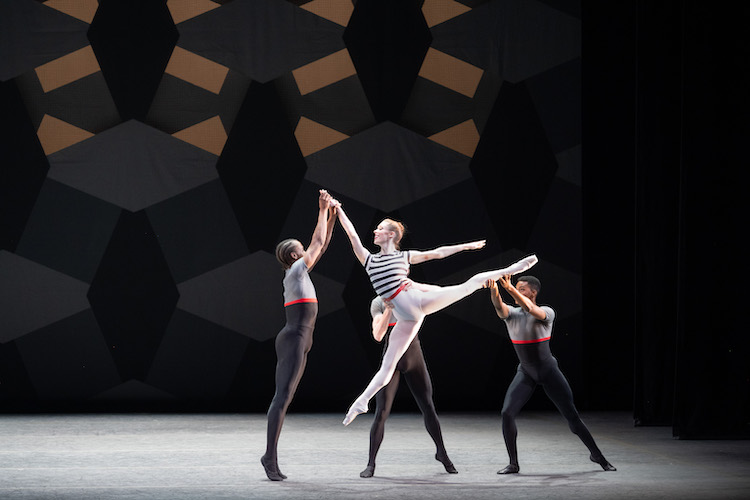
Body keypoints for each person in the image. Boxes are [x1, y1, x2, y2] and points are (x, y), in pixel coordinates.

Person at [334, 204, 538, 425]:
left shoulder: (404, 256)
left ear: (391, 235)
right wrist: (338, 209)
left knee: (471, 283)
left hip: (415, 300)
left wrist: (466, 246)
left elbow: (437, 253)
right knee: (387, 365)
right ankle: (361, 402)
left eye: (380, 228)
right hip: (408, 318)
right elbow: (352, 234)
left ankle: (513, 269)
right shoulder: (368, 259)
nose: (375, 231)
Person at [485, 274, 616, 473]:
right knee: (506, 413)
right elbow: (498, 305)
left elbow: (530, 308)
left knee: (572, 416)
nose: (517, 291)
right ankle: (513, 463)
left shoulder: (547, 312)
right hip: (526, 372)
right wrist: (494, 288)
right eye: (517, 288)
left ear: (533, 292)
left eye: (522, 289)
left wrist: (509, 288)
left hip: (548, 371)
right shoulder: (511, 314)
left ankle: (597, 455)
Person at [261, 189, 337, 481]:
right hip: (293, 337)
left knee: (286, 396)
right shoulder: (294, 271)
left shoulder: (299, 273)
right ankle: (269, 457)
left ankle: (270, 456)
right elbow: (318, 243)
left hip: (301, 338)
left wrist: (331, 217)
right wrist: (321, 209)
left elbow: (322, 243)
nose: (308, 249)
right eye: (302, 247)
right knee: (282, 398)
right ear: (295, 255)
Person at [361, 283, 457, 478]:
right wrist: (388, 309)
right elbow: (378, 335)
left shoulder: (411, 294)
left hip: (414, 357)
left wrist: (416, 286)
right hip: (392, 361)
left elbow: (439, 291)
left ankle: (442, 453)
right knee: (381, 411)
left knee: (428, 407)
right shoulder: (378, 303)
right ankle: (370, 464)